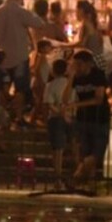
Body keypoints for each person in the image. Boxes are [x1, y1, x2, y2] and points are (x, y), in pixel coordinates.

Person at [0, 0, 45, 123]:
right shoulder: (21, 11)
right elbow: (39, 23)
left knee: (4, 88)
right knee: (20, 89)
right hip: (20, 57)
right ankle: (19, 117)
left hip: (3, 58)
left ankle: (3, 118)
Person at [68, 50, 109, 187]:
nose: (77, 67)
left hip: (99, 118)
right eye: (75, 64)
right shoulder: (76, 77)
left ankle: (77, 176)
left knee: (96, 153)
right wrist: (70, 78)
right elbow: (65, 97)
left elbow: (99, 98)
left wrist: (76, 104)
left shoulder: (98, 75)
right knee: (84, 152)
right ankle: (88, 183)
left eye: (79, 64)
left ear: (89, 64)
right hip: (83, 118)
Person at [44, 58, 73, 189]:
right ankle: (73, 178)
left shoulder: (50, 85)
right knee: (70, 148)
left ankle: (58, 179)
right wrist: (66, 114)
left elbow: (49, 104)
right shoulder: (70, 84)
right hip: (70, 116)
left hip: (55, 119)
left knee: (57, 150)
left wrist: (60, 113)